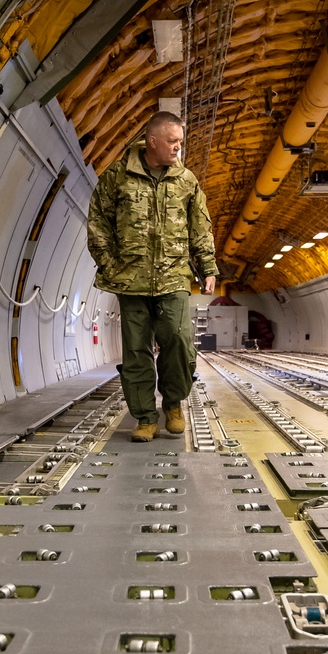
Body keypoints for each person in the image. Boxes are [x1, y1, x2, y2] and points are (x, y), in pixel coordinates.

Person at [86, 111, 217, 441]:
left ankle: (173, 403)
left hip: (174, 276)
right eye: (173, 142)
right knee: (136, 351)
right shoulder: (117, 176)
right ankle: (145, 416)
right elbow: (98, 222)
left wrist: (208, 267)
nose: (178, 149)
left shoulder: (186, 180)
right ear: (153, 141)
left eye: (180, 143)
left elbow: (200, 225)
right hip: (130, 279)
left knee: (178, 339)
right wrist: (109, 264)